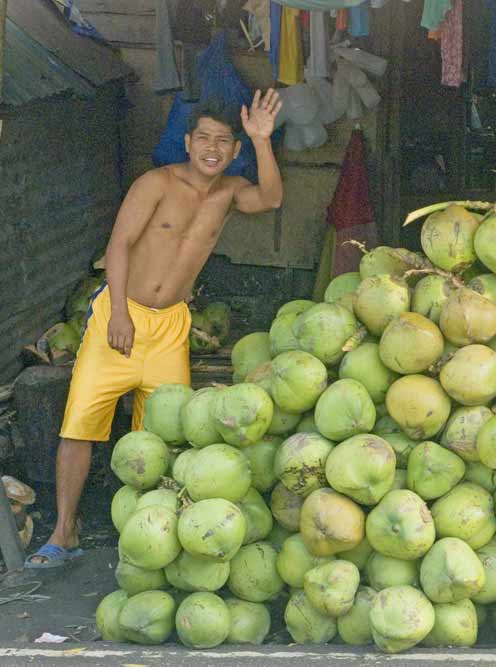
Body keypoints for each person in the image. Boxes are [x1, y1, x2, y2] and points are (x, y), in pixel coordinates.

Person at [25, 89, 284, 568]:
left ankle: (148, 534)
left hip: (171, 328)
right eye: (203, 137)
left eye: (223, 141)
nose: (212, 147)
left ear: (233, 151)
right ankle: (64, 534)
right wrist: (119, 311)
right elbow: (119, 244)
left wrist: (262, 139)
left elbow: (270, 197)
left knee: (165, 438)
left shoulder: (229, 193)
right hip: (119, 317)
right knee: (80, 426)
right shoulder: (156, 183)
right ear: (187, 143)